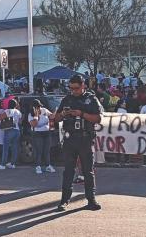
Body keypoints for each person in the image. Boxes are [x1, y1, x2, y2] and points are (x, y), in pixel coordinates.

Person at [55, 74, 103, 211]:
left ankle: (91, 200)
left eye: (76, 88)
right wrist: (63, 114)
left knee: (88, 171)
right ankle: (64, 200)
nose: (73, 91)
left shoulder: (91, 99)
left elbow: (98, 118)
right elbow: (56, 118)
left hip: (85, 138)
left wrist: (81, 114)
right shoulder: (67, 99)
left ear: (83, 86)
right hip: (70, 139)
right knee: (68, 171)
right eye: (71, 88)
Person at [28, 99, 56, 174]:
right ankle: (38, 166)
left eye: (40, 106)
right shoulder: (31, 115)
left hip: (46, 133)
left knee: (47, 150)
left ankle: (48, 166)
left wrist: (57, 111)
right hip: (37, 133)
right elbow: (34, 124)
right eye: (37, 107)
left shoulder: (44, 110)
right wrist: (36, 116)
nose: (39, 108)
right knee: (39, 151)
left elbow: (52, 116)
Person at [0, 99, 22, 170]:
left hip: (9, 130)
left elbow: (0, 118)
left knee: (5, 148)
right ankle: (12, 164)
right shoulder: (18, 111)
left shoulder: (8, 111)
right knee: (14, 148)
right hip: (17, 130)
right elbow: (20, 121)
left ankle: (3, 164)